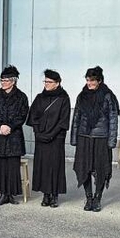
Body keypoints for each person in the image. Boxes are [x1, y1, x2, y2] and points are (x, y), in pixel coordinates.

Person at [70, 66, 119, 213]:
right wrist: (74, 138)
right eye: (87, 80)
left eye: (92, 80)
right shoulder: (82, 95)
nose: (89, 83)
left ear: (99, 80)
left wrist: (112, 140)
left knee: (100, 169)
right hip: (84, 137)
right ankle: (89, 197)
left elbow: (113, 119)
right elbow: (76, 118)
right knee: (84, 168)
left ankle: (98, 198)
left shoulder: (108, 96)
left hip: (101, 138)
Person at [27, 69, 71, 208]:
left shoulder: (64, 98)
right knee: (43, 165)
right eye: (45, 81)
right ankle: (46, 194)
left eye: (49, 82)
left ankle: (54, 195)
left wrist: (51, 134)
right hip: (41, 137)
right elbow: (33, 116)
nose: (46, 84)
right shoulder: (40, 97)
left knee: (55, 166)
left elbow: (63, 120)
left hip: (56, 138)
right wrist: (38, 132)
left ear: (57, 83)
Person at [0, 65, 29, 205]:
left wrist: (10, 126)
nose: (3, 83)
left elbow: (23, 115)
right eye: (1, 80)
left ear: (13, 81)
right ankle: (2, 194)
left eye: (5, 80)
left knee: (12, 165)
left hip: (13, 136)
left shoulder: (21, 97)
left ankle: (10, 194)